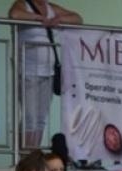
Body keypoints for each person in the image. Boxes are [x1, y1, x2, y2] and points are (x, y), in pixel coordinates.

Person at [9, 0, 82, 151]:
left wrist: (59, 20)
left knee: (40, 119)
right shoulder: (23, 4)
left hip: (48, 72)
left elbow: (77, 18)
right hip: (28, 72)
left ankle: (33, 153)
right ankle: (23, 158)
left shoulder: (50, 7)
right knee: (30, 119)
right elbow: (14, 14)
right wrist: (38, 18)